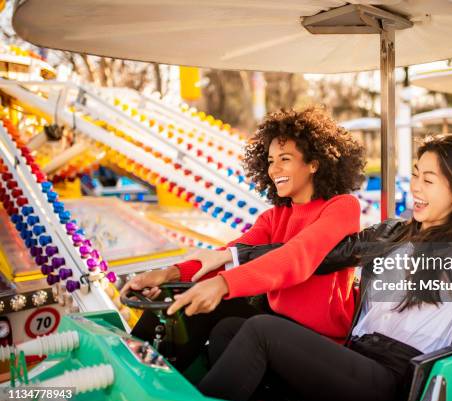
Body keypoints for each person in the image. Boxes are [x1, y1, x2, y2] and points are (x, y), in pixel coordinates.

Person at [197, 86, 452, 401]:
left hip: (396, 376)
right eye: (415, 175)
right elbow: (314, 255)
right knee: (232, 328)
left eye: (429, 179)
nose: (416, 188)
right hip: (355, 355)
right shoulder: (391, 235)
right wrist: (231, 257)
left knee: (262, 332)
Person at [120, 106, 366, 370]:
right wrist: (169, 275)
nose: (274, 169)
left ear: (314, 163)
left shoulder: (342, 206)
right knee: (184, 303)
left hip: (321, 339)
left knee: (219, 307)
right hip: (276, 321)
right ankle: (133, 372)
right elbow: (230, 254)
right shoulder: (274, 216)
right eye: (271, 161)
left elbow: (296, 257)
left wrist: (223, 285)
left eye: (285, 159)